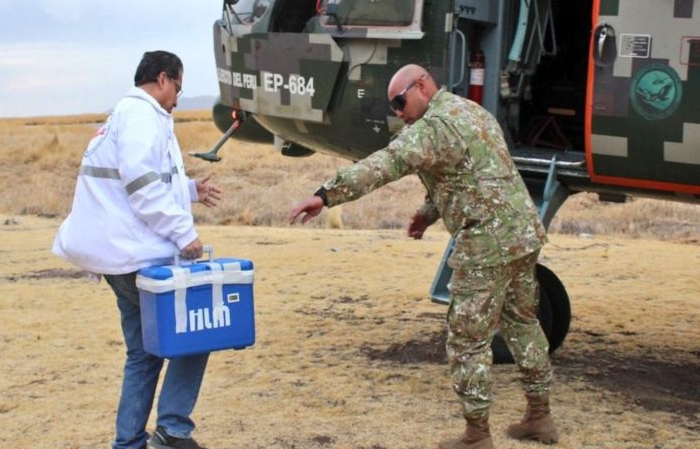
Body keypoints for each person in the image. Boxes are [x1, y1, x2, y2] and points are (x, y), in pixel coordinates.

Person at [289, 64, 558, 449]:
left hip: (486, 243)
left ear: (422, 86)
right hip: (521, 236)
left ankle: (477, 436)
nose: (398, 113)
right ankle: (539, 417)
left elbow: (384, 164)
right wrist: (428, 213)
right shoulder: (470, 111)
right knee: (523, 322)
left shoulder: (432, 128)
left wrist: (326, 195)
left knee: (468, 339)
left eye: (400, 102)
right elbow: (468, 173)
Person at [53, 50, 222, 449]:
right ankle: (172, 430)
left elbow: (137, 179)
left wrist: (189, 190)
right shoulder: (142, 116)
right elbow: (143, 189)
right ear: (162, 79)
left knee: (144, 353)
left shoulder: (124, 115)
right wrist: (185, 234)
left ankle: (129, 442)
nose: (178, 98)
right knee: (196, 332)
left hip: (119, 259)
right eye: (178, 87)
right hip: (136, 258)